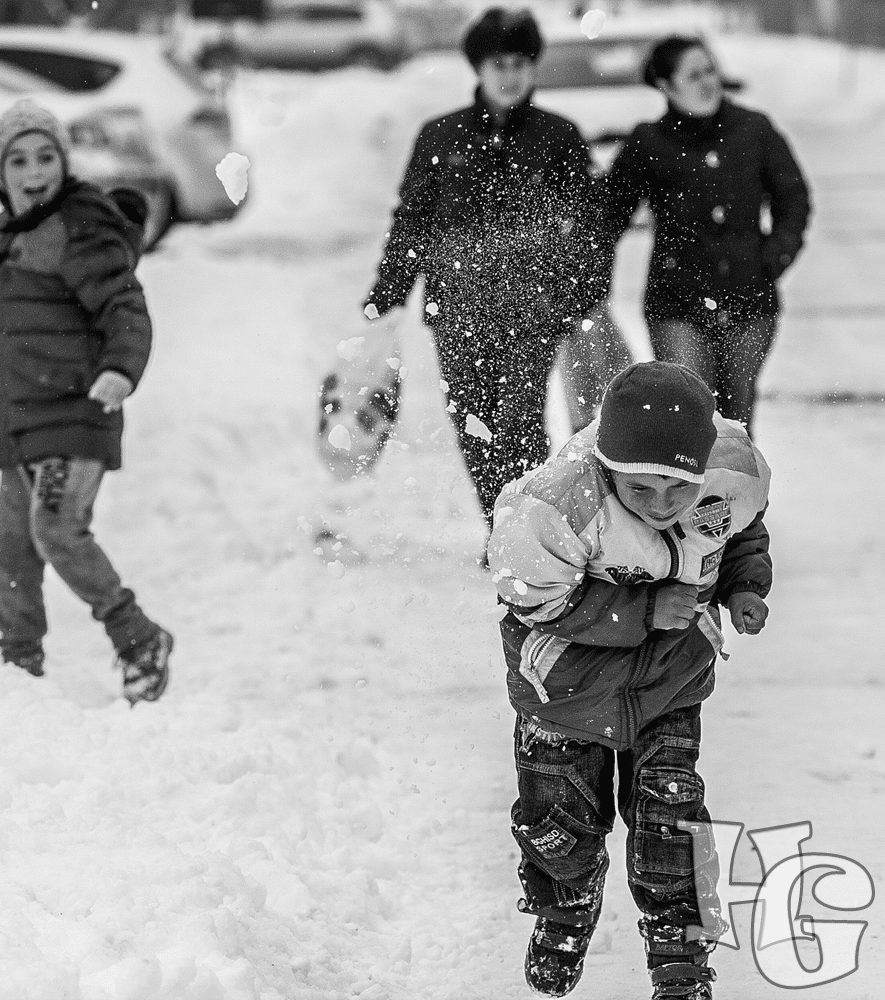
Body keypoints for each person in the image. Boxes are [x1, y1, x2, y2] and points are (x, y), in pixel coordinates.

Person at [487, 361, 773, 998]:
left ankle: (682, 952)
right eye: (641, 490)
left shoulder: (726, 482)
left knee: (671, 821)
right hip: (565, 690)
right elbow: (532, 601)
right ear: (608, 466)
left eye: (680, 490)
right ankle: (563, 912)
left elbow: (742, 535)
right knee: (559, 822)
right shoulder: (558, 506)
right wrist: (640, 610)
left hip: (670, 684)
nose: (662, 506)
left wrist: (744, 586)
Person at [362, 7, 612, 530]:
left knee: (521, 419)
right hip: (457, 309)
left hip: (533, 310)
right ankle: (501, 526)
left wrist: (577, 294)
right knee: (472, 423)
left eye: (521, 62)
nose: (510, 74)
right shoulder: (439, 137)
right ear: (477, 66)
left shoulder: (559, 137)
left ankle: (532, 529)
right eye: (499, 62)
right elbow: (413, 220)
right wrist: (387, 294)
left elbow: (591, 226)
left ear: (534, 67)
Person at [0, 98, 172, 705]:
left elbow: (123, 304)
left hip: (79, 407)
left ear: (64, 162)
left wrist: (121, 367)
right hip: (22, 414)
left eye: (46, 157)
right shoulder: (1, 233)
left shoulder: (80, 225)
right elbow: (18, 322)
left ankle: (138, 639)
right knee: (12, 547)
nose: (34, 173)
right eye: (18, 161)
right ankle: (19, 667)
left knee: (56, 529)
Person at [600, 35, 810, 437]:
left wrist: (774, 257)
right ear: (666, 84)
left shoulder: (754, 129)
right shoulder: (648, 142)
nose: (708, 81)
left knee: (736, 420)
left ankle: (740, 499)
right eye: (694, 74)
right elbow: (610, 215)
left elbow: (793, 198)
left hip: (750, 302)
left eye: (710, 69)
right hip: (676, 306)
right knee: (692, 415)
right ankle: (690, 500)